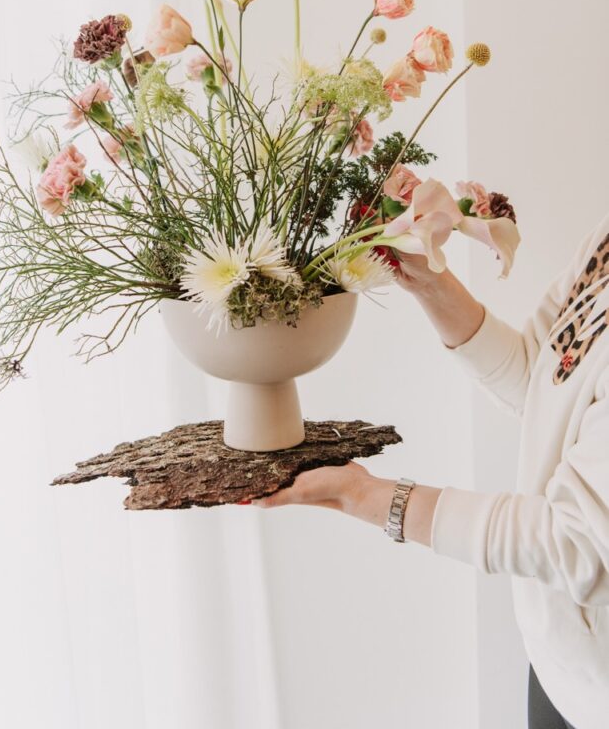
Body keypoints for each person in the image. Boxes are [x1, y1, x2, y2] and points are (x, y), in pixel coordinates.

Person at [254, 213, 609, 729]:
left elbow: (576, 541)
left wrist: (364, 495)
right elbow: (544, 377)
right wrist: (431, 281)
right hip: (559, 660)